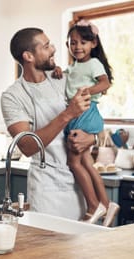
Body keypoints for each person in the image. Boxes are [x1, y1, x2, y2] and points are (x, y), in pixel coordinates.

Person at [1, 27, 95, 220]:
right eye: (46, 46)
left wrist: (92, 138)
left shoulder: (62, 79)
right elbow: (27, 146)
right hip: (48, 190)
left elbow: (93, 120)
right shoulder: (12, 96)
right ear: (29, 56)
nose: (53, 49)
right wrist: (68, 114)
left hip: (79, 185)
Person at [53, 20, 119, 226]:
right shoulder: (74, 67)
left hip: (85, 112)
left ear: (93, 43)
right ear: (67, 45)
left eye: (83, 42)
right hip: (80, 112)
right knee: (86, 163)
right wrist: (58, 72)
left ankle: (93, 207)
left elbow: (105, 82)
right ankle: (108, 205)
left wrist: (86, 92)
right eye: (73, 43)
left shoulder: (94, 64)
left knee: (74, 162)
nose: (78, 47)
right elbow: (68, 80)